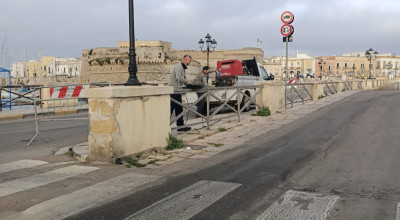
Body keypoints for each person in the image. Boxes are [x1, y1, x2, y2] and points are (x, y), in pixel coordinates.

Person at [169, 54, 193, 132]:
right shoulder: (179, 66)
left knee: (179, 108)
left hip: (177, 90)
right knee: (171, 109)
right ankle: (165, 126)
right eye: (187, 60)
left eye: (189, 61)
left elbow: (182, 79)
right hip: (174, 91)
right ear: (183, 59)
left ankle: (180, 125)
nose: (188, 62)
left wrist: (189, 83)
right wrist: (188, 82)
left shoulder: (182, 68)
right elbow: (178, 78)